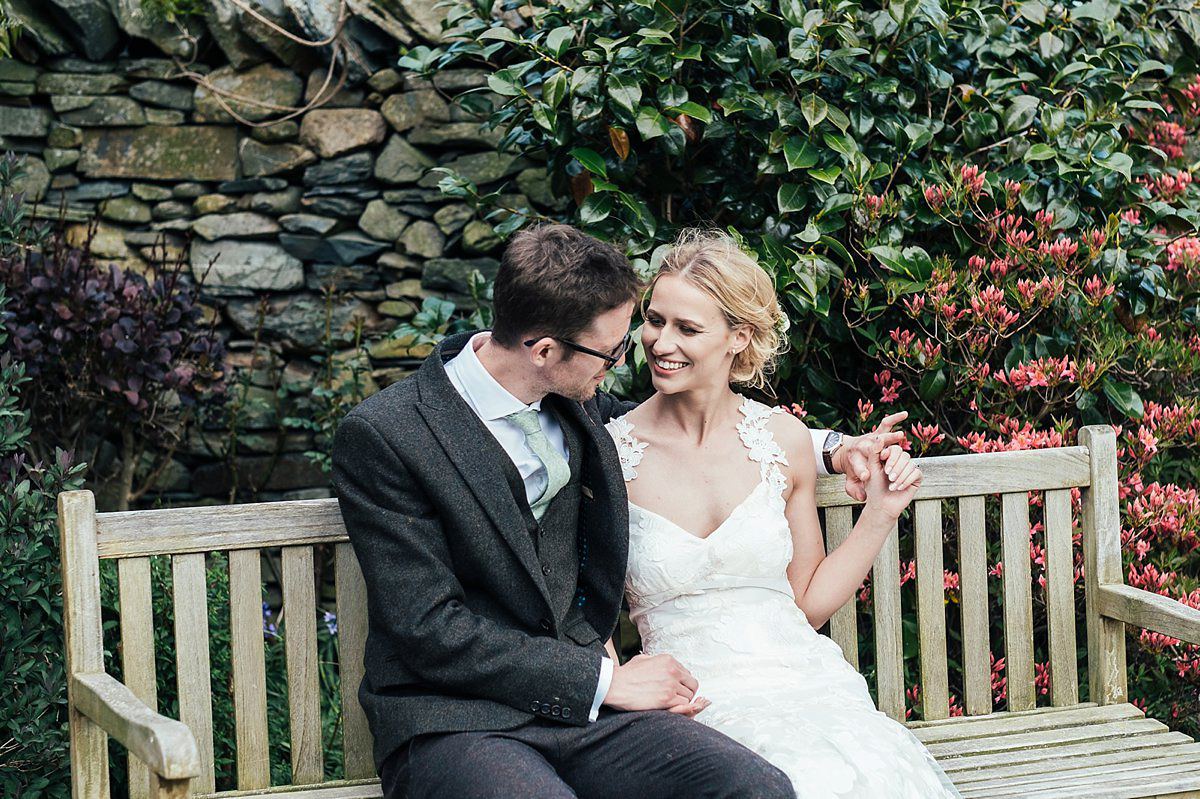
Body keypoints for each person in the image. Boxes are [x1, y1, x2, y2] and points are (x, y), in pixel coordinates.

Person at [332, 224, 901, 799]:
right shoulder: (388, 436)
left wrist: (835, 448)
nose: (634, 355)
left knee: (755, 787)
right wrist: (604, 680)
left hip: (586, 720)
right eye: (614, 349)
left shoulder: (569, 399)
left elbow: (703, 428)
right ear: (545, 350)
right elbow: (428, 629)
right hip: (458, 722)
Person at [605, 229, 962, 798]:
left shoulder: (782, 439)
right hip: (691, 701)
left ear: (737, 337)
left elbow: (806, 604)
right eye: (654, 320)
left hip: (809, 682)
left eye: (687, 328)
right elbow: (585, 608)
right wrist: (616, 682)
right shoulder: (611, 452)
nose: (660, 341)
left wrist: (879, 514)